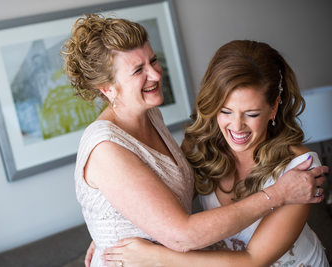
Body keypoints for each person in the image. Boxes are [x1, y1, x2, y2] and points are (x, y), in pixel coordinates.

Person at [61, 14, 327, 267]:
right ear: (107, 89)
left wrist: (138, 246)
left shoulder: (299, 172)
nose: (236, 126)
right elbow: (174, 225)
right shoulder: (202, 145)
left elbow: (253, 259)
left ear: (273, 107)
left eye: (153, 61)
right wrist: (106, 233)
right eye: (225, 111)